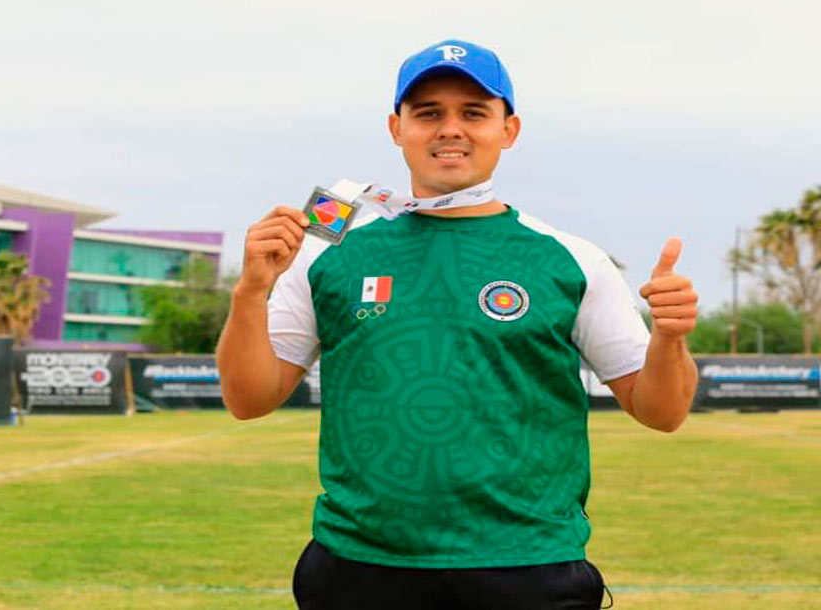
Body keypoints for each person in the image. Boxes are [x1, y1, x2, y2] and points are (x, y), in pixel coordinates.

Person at [216, 39, 700, 610]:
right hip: (360, 569)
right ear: (397, 129)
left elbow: (661, 411)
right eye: (428, 113)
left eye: (473, 113)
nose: (451, 129)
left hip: (528, 567)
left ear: (509, 129)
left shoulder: (570, 259)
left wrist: (670, 336)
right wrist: (251, 292)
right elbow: (249, 399)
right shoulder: (328, 253)